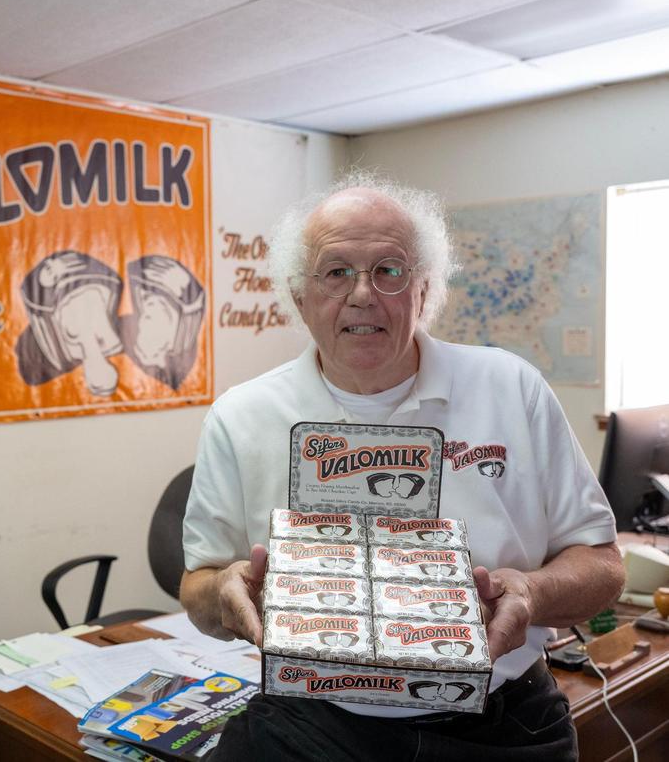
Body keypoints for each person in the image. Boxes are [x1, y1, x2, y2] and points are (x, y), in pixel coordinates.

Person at [180, 170, 625, 760]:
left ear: (424, 291)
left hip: (501, 721)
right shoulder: (242, 415)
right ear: (300, 296)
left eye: (388, 270)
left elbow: (603, 566)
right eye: (336, 271)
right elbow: (198, 584)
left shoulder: (511, 387)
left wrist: (532, 593)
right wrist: (224, 593)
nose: (362, 293)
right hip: (313, 720)